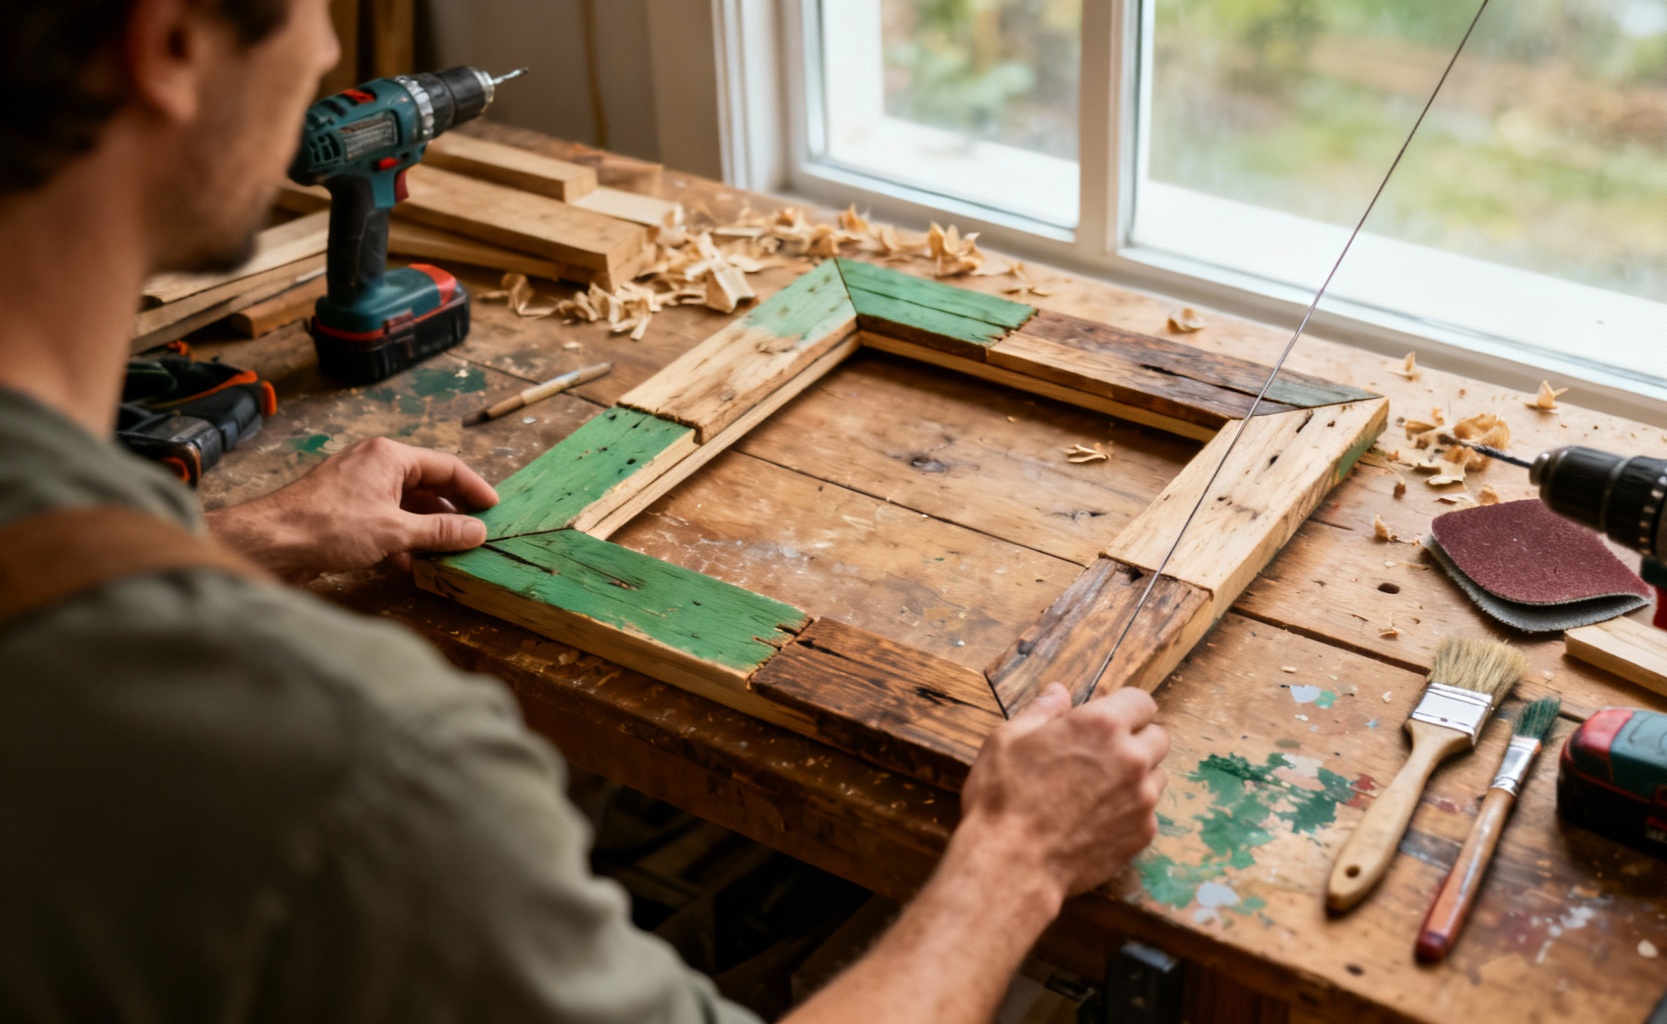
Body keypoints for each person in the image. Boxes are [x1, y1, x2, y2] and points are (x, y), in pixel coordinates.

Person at [0, 0, 1171, 1019]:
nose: (325, 51)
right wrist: (1016, 854)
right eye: (313, 9)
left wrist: (249, 533)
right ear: (168, 43)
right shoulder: (365, 768)